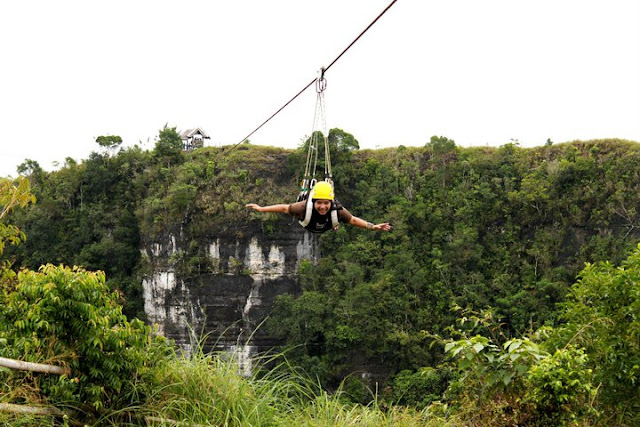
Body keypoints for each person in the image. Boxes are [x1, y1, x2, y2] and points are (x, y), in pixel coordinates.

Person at [245, 181, 392, 234]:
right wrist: (262, 208)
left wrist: (373, 227)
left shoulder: (337, 210)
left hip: (327, 225)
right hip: (309, 224)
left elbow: (353, 220)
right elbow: (284, 208)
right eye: (319, 203)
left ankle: (334, 226)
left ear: (331, 202)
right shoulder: (302, 208)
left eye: (326, 203)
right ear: (313, 201)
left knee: (338, 219)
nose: (322, 206)